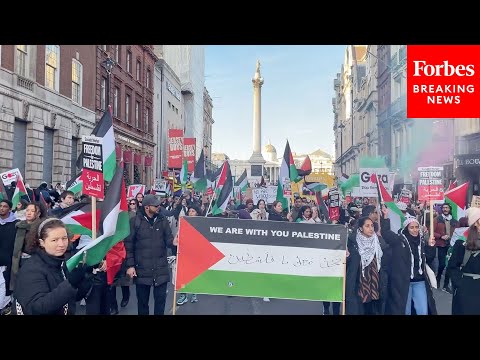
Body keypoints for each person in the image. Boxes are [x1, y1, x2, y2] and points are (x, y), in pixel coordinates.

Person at [13, 218, 93, 315]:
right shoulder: (31, 270)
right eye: (54, 240)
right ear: (42, 242)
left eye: (64, 238)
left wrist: (85, 277)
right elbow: (37, 307)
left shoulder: (60, 263)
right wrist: (70, 283)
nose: (61, 244)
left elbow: (73, 297)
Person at [380, 206, 437, 315]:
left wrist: (431, 246)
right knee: (405, 310)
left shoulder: (422, 241)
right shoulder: (399, 240)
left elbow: (429, 258)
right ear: (406, 228)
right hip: (403, 282)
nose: (415, 230)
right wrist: (386, 217)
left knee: (423, 310)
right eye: (412, 227)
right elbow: (386, 233)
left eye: (416, 227)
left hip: (419, 280)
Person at [125, 194, 175, 315]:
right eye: (156, 205)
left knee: (160, 302)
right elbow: (128, 245)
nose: (159, 207)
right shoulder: (135, 221)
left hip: (161, 269)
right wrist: (130, 266)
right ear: (147, 207)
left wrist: (174, 242)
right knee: (142, 303)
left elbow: (169, 240)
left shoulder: (163, 220)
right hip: (142, 270)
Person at [345, 216, 388, 315]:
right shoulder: (352, 242)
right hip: (359, 284)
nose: (371, 228)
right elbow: (348, 262)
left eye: (372, 226)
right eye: (367, 226)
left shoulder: (379, 241)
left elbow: (386, 259)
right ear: (360, 228)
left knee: (373, 310)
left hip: (376, 284)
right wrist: (347, 256)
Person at [448, 207, 480, 315]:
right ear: (475, 223)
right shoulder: (462, 243)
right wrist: (460, 284)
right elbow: (452, 266)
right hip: (467, 289)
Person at [10, 202, 47, 292]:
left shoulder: (41, 228)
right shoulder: (19, 226)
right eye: (27, 210)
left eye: (32, 211)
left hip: (34, 262)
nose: (29, 213)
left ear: (38, 214)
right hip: (18, 261)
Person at [176, 205, 202, 306]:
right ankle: (183, 295)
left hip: (196, 254)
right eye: (190, 211)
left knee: (195, 274)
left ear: (197, 213)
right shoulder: (184, 223)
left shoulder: (201, 224)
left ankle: (194, 293)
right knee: (183, 275)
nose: (191, 213)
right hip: (185, 253)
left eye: (193, 211)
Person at [0, 200, 19, 315]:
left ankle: (5, 306)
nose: (2, 208)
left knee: (4, 284)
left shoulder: (15, 224)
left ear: (10, 209)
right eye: (0, 206)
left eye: (5, 206)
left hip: (7, 259)